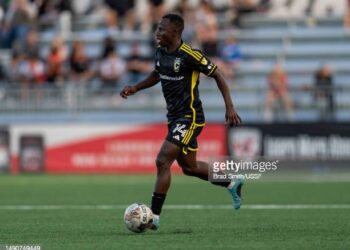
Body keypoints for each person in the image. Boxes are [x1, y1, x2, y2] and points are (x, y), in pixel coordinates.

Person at [120, 13, 243, 231]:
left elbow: (218, 75)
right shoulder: (160, 52)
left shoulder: (190, 55)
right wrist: (136, 88)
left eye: (161, 29)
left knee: (162, 161)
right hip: (174, 118)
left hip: (190, 117)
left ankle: (154, 217)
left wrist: (230, 107)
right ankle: (232, 182)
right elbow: (157, 74)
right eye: (157, 29)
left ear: (176, 32)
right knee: (190, 167)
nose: (157, 33)